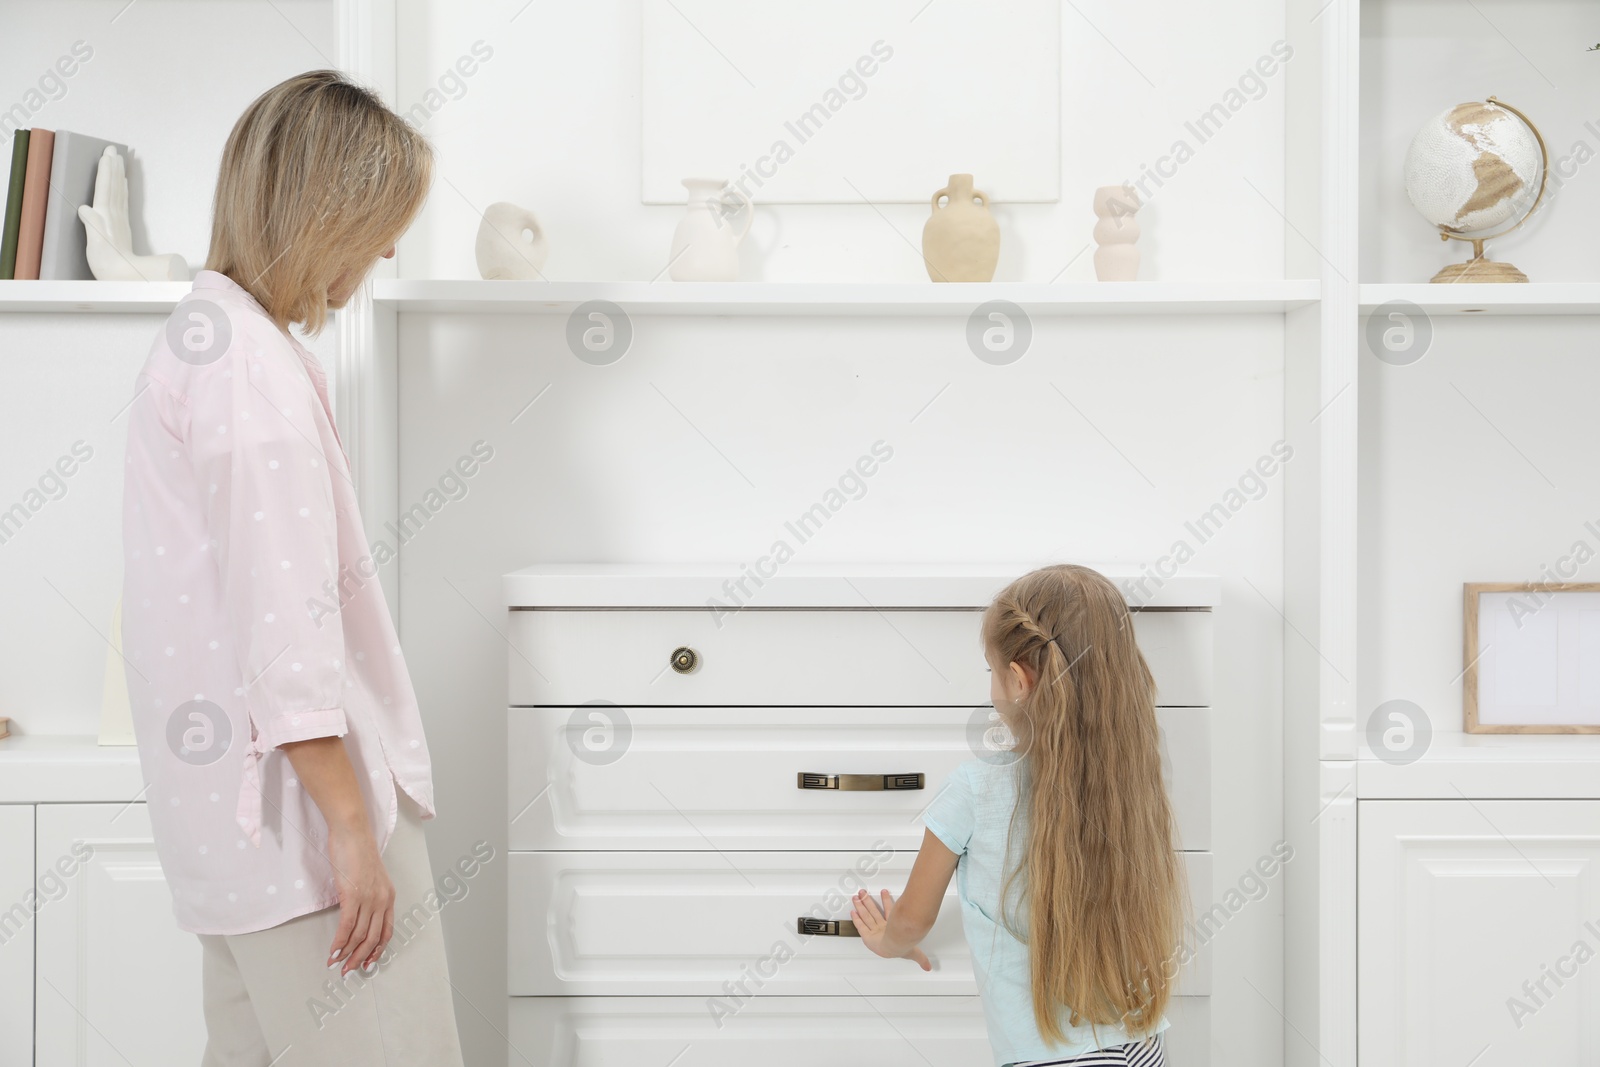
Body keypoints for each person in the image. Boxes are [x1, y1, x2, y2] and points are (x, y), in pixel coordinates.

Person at [120, 70, 464, 1065]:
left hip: (235, 833)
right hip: (304, 826)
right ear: (327, 212)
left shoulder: (207, 337)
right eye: (382, 220)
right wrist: (352, 829)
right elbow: (288, 622)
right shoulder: (245, 368)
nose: (391, 247)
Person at [851, 564, 1183, 1066]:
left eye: (992, 670)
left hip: (1043, 1056)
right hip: (1141, 1047)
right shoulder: (1134, 780)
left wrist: (887, 942)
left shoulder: (974, 788)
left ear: (1019, 681)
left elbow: (914, 918)